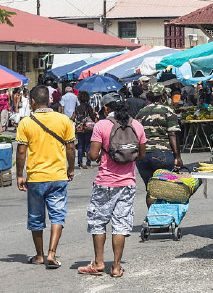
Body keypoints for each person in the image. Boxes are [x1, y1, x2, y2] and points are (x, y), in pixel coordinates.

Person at [78, 94, 146, 277]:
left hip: (105, 183)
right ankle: (116, 267)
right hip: (127, 183)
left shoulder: (101, 126)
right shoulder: (137, 125)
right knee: (121, 225)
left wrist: (92, 152)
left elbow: (92, 156)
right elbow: (141, 155)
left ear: (106, 108)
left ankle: (99, 263)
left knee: (98, 223)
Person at [14, 85, 76, 269]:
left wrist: (19, 175)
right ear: (49, 100)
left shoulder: (26, 123)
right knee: (57, 216)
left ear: (32, 102)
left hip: (35, 177)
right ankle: (52, 253)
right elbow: (71, 148)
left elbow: (21, 152)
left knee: (36, 217)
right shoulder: (63, 120)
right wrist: (70, 169)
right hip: (58, 175)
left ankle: (39, 255)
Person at [135, 84, 182, 208]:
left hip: (143, 155)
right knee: (165, 189)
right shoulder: (167, 110)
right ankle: (163, 219)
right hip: (163, 154)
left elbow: (136, 134)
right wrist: (177, 156)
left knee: (151, 190)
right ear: (163, 96)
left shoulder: (141, 112)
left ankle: (153, 219)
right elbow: (172, 133)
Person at [72, 91, 98, 169]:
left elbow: (73, 118)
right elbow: (93, 118)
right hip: (88, 128)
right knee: (88, 145)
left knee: (80, 146)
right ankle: (88, 164)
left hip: (79, 128)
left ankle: (80, 164)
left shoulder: (77, 108)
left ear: (79, 98)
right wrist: (94, 114)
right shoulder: (88, 107)